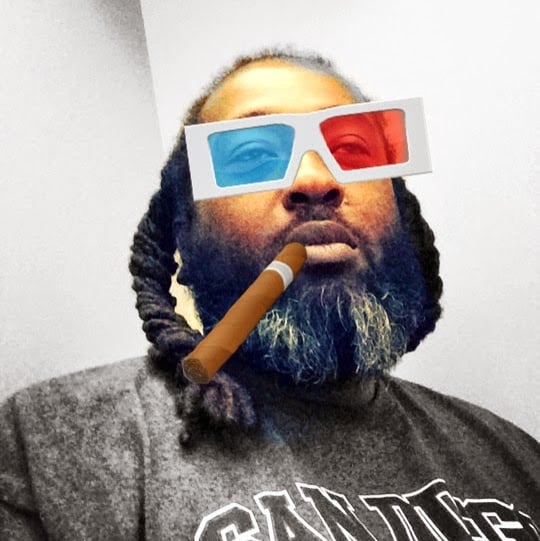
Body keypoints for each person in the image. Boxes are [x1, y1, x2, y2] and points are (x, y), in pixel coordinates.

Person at [1, 50, 538, 541]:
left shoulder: (515, 458)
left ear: (402, 210)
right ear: (185, 230)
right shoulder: (54, 443)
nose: (314, 178)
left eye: (351, 149)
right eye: (253, 155)